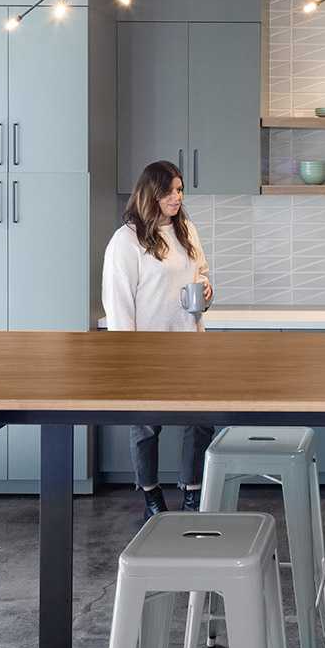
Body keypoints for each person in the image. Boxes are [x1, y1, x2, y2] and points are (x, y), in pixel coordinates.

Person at [103, 160, 215, 520]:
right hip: (147, 351)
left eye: (180, 190)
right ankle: (151, 495)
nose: (176, 197)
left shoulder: (186, 231)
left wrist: (208, 292)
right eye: (169, 191)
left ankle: (192, 494)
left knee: (200, 421)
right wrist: (127, 355)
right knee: (148, 425)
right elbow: (118, 301)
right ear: (151, 193)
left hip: (189, 346)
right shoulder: (127, 239)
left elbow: (201, 275)